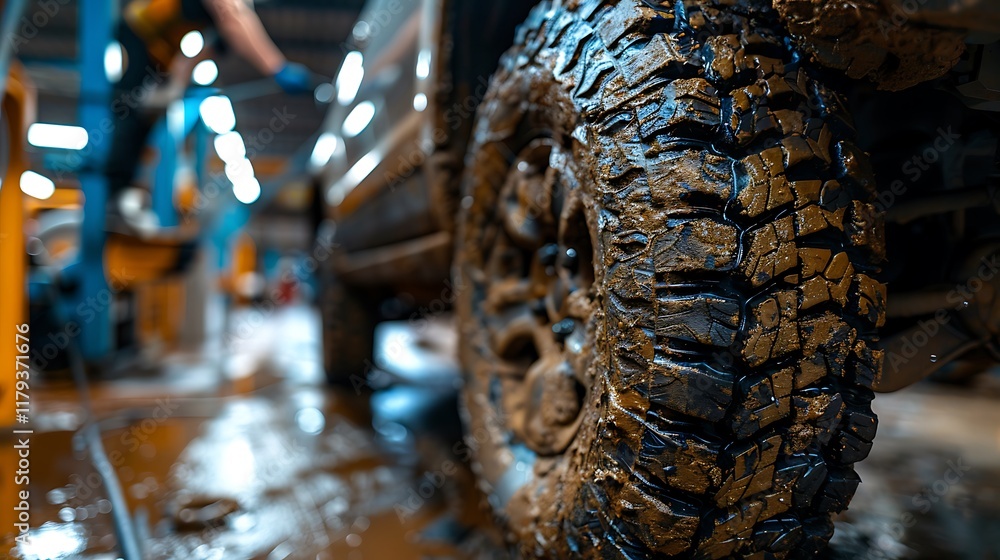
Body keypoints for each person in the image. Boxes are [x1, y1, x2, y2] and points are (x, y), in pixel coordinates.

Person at [105, 0, 312, 233]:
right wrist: (276, 67)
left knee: (146, 119)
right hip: (141, 34)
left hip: (162, 53)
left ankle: (121, 195)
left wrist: (177, 84)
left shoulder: (221, 21)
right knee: (131, 115)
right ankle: (111, 197)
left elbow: (203, 48)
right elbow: (232, 18)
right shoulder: (229, 10)